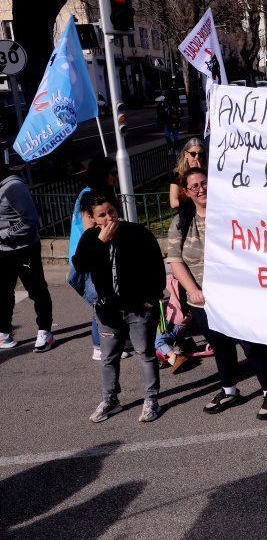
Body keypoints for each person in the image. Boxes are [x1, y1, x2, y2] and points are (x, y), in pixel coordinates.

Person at [167, 167, 267, 420]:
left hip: (237, 296)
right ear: (186, 192)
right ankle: (230, 391)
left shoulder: (232, 213)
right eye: (195, 186)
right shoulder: (181, 222)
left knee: (252, 344)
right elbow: (175, 260)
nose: (201, 189)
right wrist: (193, 291)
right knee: (220, 346)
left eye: (205, 183)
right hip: (202, 301)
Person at [72, 190, 165, 423]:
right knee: (108, 357)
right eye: (102, 215)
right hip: (108, 310)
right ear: (93, 218)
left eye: (111, 211)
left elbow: (156, 266)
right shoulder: (90, 238)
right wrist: (100, 242)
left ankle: (151, 398)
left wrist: (152, 297)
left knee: (145, 354)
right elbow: (81, 266)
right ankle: (110, 400)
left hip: (139, 309)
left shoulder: (137, 233)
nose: (109, 218)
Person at [67, 156, 118, 359]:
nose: (116, 176)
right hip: (88, 254)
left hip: (94, 252)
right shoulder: (89, 195)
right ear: (102, 174)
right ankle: (99, 345)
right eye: (113, 173)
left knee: (104, 296)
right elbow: (90, 230)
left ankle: (112, 339)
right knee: (100, 299)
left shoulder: (98, 192)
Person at [0, 162, 53, 352]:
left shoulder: (14, 187)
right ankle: (4, 332)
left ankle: (45, 331)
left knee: (37, 290)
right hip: (3, 251)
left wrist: (4, 234)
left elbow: (30, 220)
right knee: (3, 293)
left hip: (25, 249)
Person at [169, 138, 205, 210]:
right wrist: (193, 201)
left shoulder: (207, 173)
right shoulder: (178, 174)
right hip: (187, 212)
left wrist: (200, 172)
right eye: (193, 154)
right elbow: (173, 203)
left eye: (200, 154)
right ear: (185, 154)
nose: (197, 157)